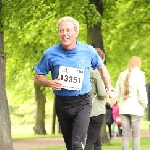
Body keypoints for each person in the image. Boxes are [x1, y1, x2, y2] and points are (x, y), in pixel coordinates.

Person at [33, 16, 115, 150]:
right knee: (70, 144)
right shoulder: (50, 53)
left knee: (77, 143)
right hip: (62, 103)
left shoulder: (88, 51)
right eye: (61, 30)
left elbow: (101, 68)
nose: (64, 33)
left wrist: (109, 88)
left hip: (82, 102)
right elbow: (38, 76)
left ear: (76, 33)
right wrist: (49, 83)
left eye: (68, 30)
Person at [115, 56, 148, 150]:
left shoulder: (122, 75)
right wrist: (145, 104)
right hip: (136, 109)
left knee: (125, 135)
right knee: (136, 134)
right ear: (138, 63)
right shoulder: (139, 75)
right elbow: (142, 93)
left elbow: (117, 93)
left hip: (124, 108)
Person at [84, 48, 106, 150]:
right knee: (90, 141)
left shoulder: (83, 70)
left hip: (85, 109)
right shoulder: (96, 72)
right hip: (97, 110)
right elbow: (101, 93)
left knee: (97, 141)